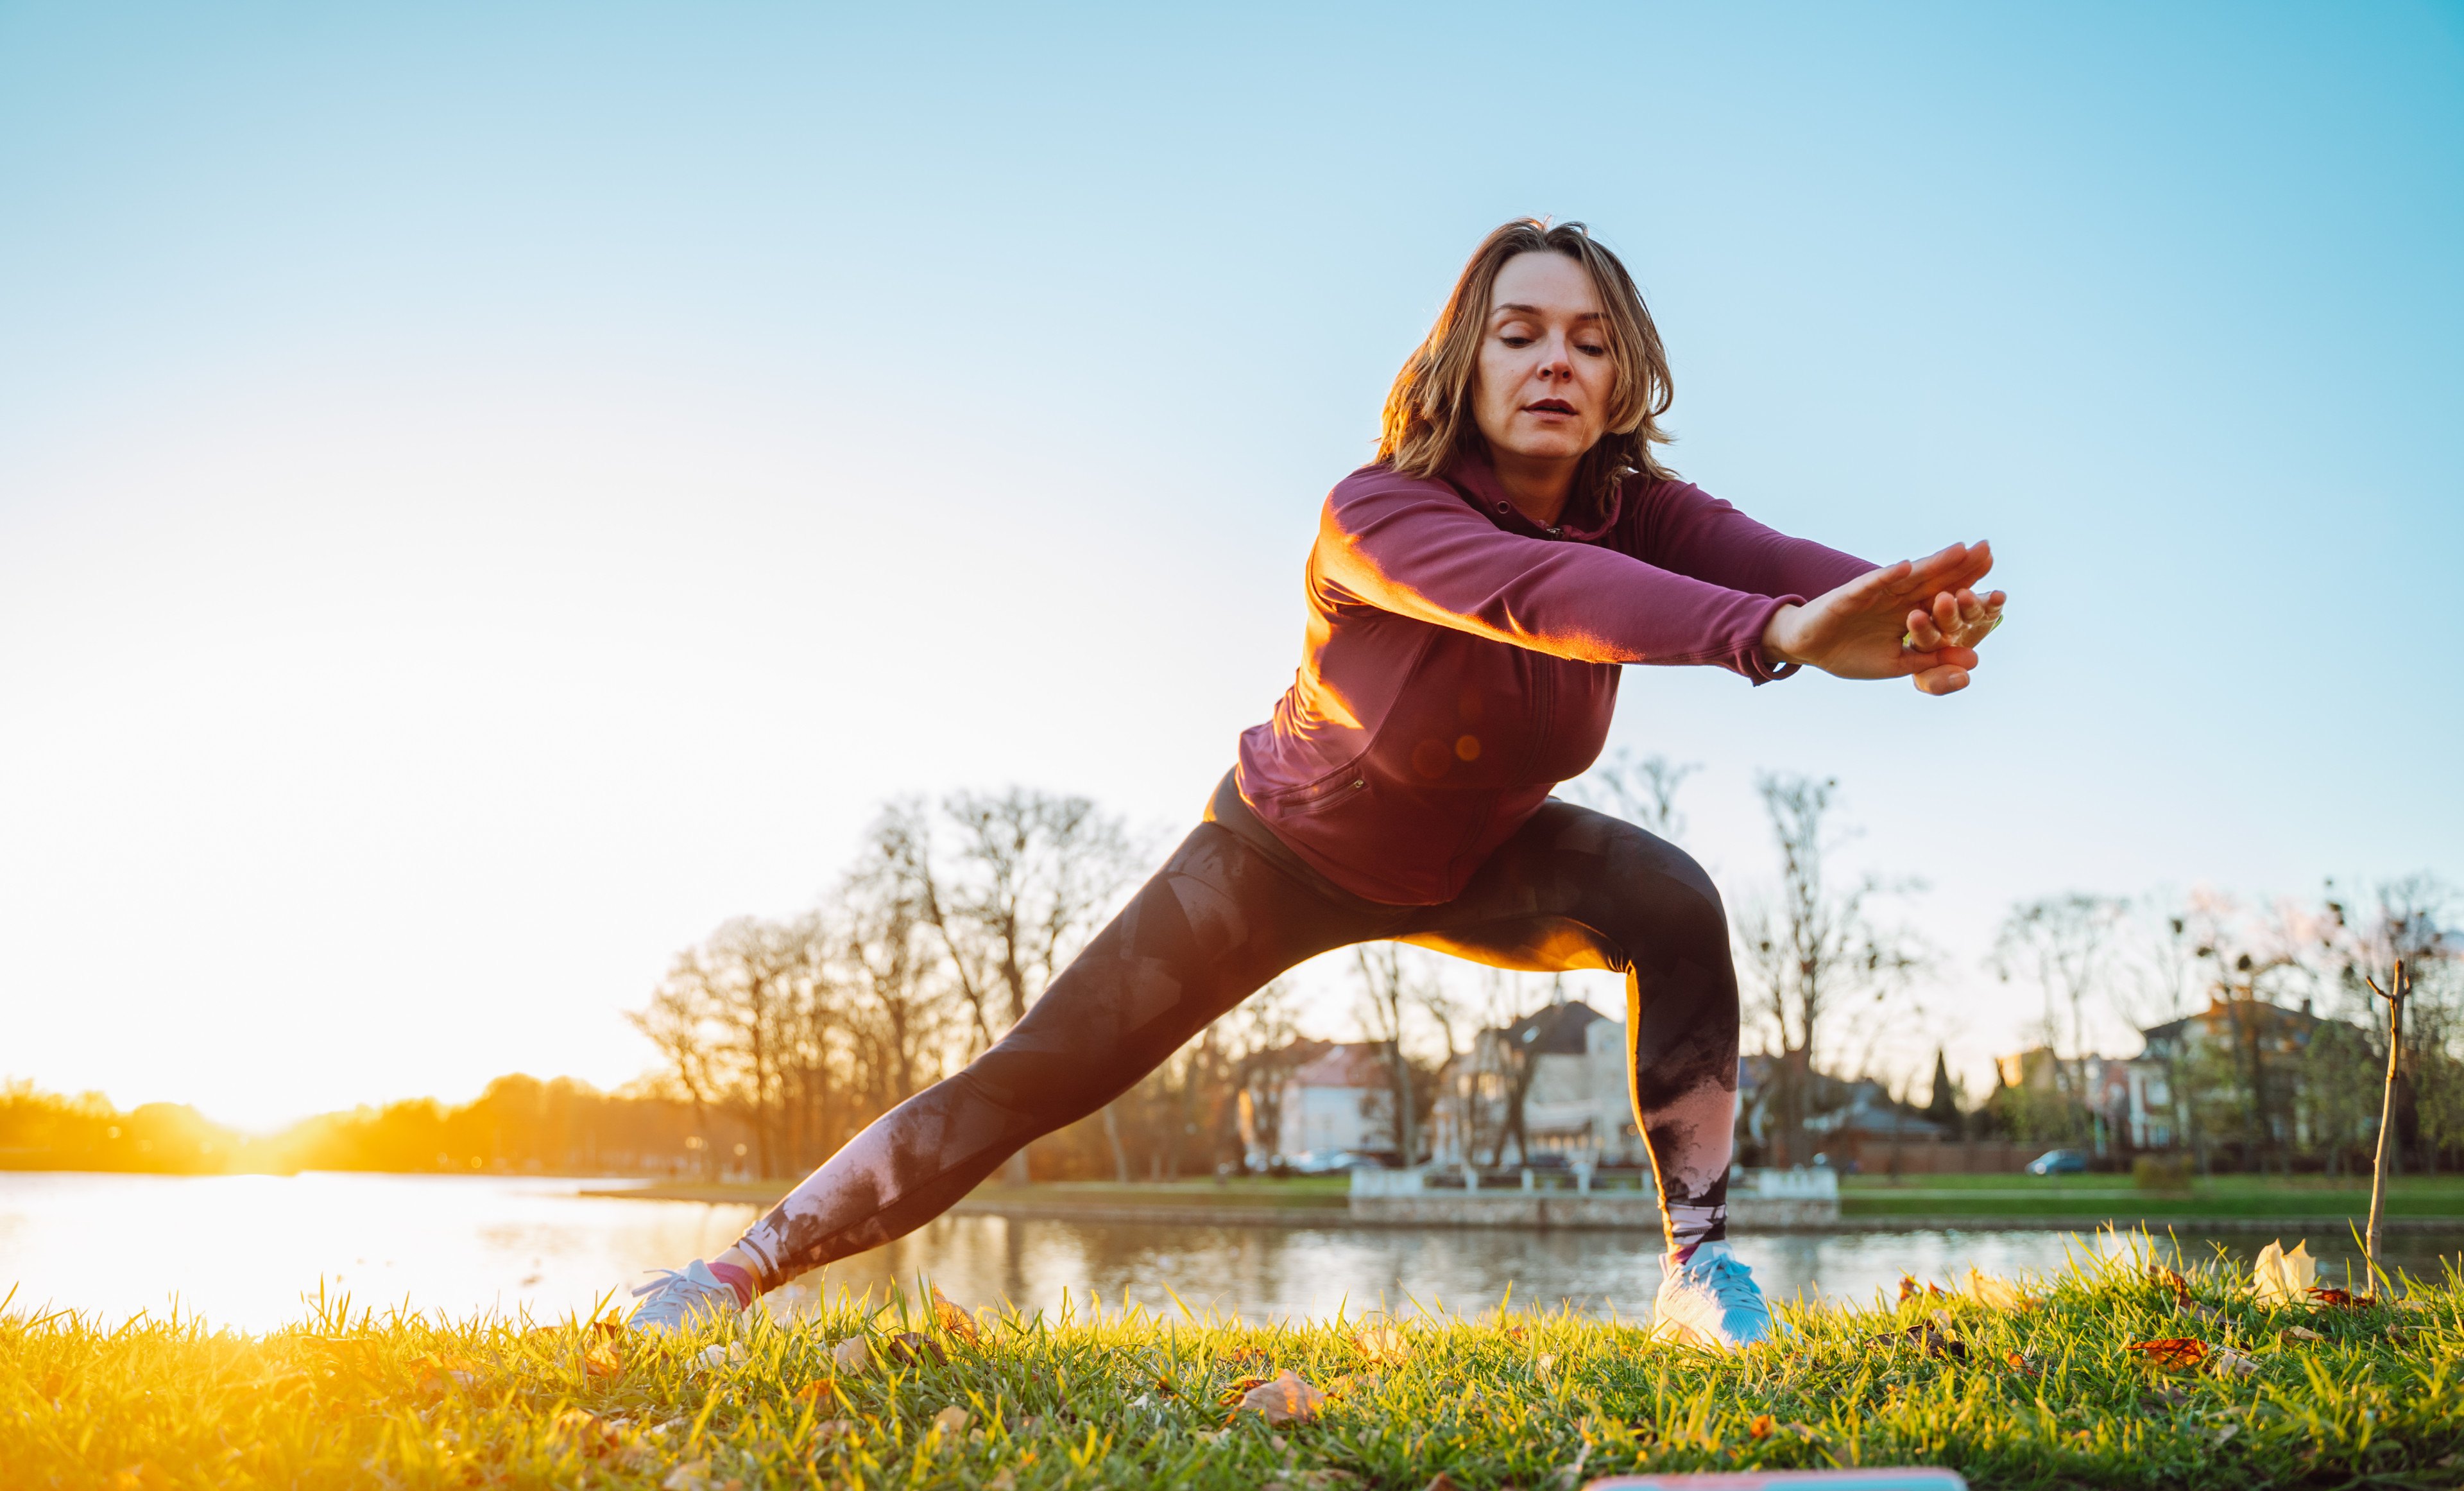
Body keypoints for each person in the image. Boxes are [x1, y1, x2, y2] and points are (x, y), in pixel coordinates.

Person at [628, 218, 2004, 1349]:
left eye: (1590, 342)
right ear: (1462, 360)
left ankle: (1699, 1271)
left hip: (1479, 855)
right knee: (1033, 1075)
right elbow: (1543, 596)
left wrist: (1900, 610)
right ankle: (728, 1276)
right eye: (1519, 332)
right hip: (1276, 856)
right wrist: (1774, 639)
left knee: (1671, 897)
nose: (1554, 363)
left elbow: (1767, 559)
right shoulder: (1380, 512)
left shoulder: (1632, 507)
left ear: (1626, 374)